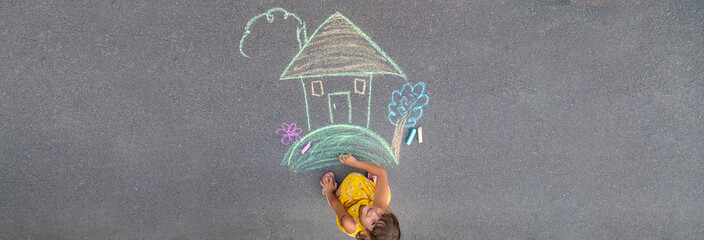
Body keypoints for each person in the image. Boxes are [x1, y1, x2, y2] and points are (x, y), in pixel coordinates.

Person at [320, 153, 401, 240]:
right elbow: (381, 173)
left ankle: (333, 195)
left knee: (335, 199)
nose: (373, 213)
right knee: (385, 194)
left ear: (367, 234)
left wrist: (329, 192)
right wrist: (355, 163)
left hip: (347, 203)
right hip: (365, 194)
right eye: (382, 215)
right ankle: (373, 184)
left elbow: (337, 206)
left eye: (373, 223)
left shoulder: (350, 224)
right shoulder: (380, 207)